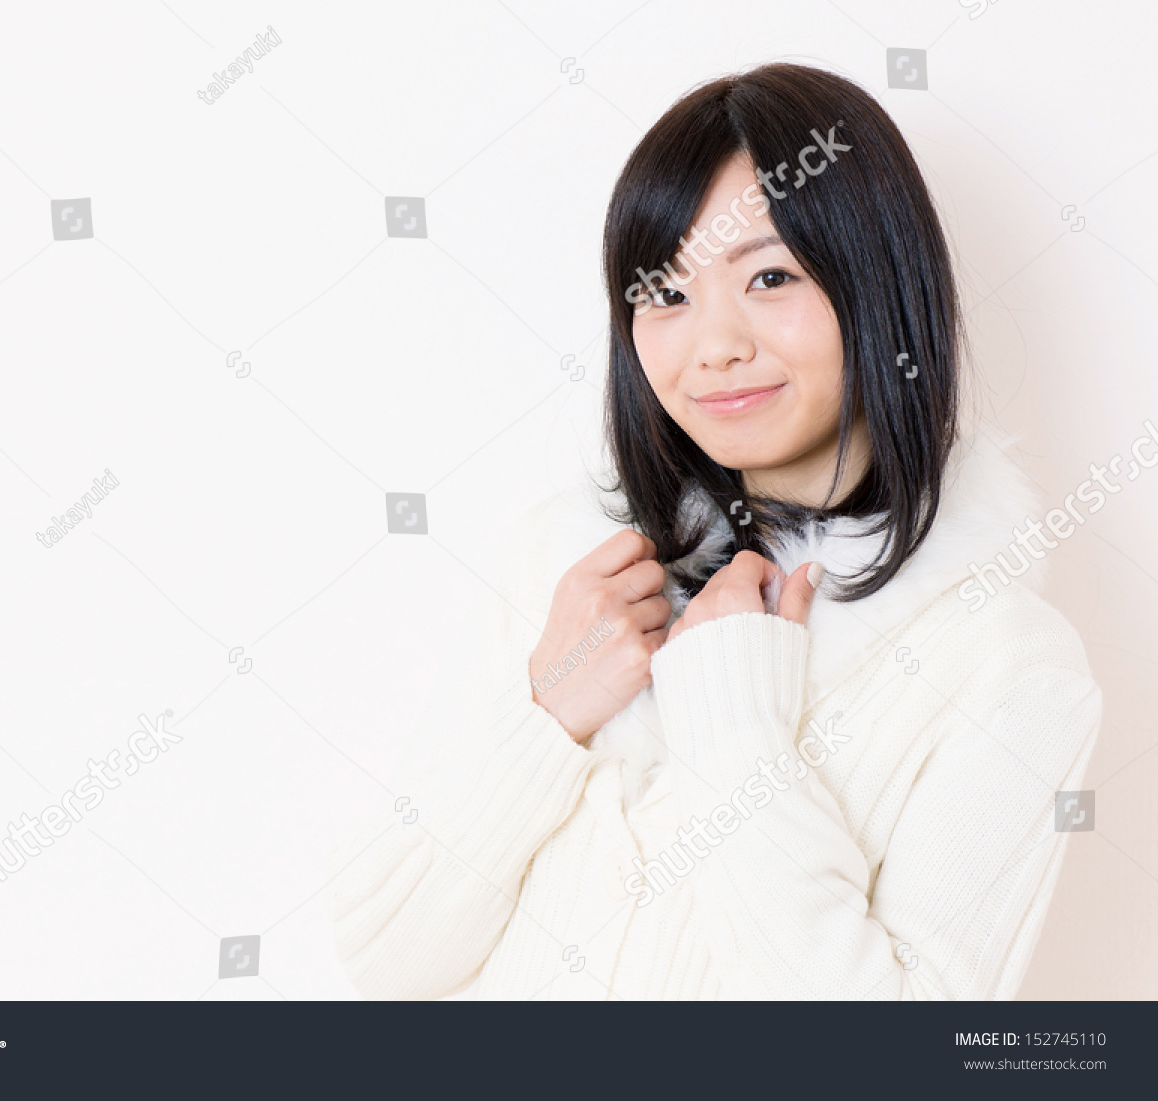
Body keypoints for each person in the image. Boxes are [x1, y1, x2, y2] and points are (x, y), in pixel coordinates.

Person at [331, 61, 1102, 999]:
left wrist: (731, 715)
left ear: (880, 283)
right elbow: (378, 967)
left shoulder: (1007, 666)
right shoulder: (568, 574)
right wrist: (547, 715)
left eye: (769, 276)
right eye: (665, 293)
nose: (714, 344)